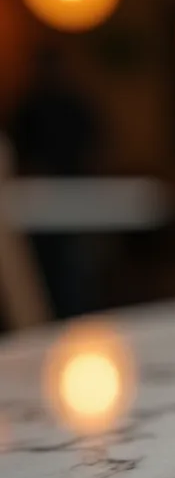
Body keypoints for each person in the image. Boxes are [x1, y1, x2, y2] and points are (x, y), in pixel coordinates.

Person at [7, 46, 103, 317]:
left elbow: (94, 148)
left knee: (75, 268)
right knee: (50, 269)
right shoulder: (28, 107)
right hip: (40, 203)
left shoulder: (73, 104)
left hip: (75, 195)